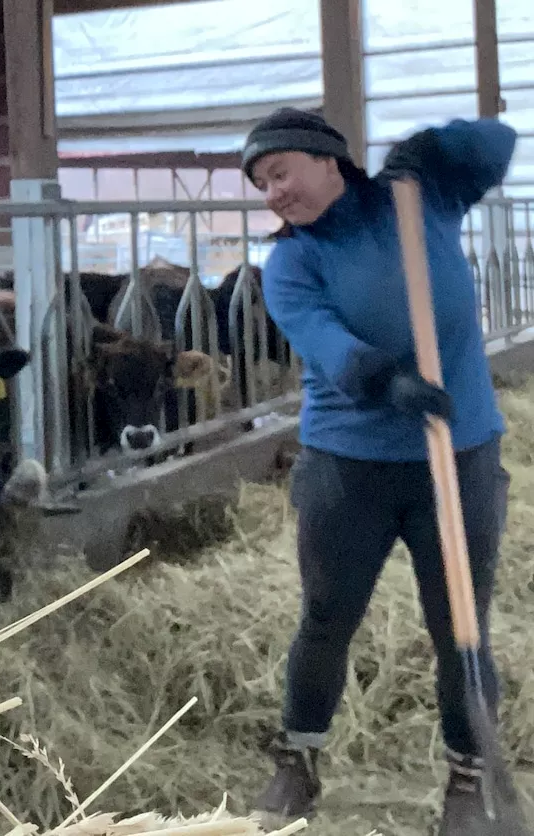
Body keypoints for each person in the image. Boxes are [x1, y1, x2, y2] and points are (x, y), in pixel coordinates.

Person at [240, 108, 518, 835]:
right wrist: (382, 377)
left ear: (329, 160)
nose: (271, 193)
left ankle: (469, 777)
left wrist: (434, 146)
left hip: (458, 456)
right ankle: (296, 761)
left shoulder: (417, 197)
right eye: (260, 184)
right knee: (327, 619)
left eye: (279, 172)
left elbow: (498, 144)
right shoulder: (291, 262)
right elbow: (323, 340)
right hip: (348, 465)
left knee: (461, 624)